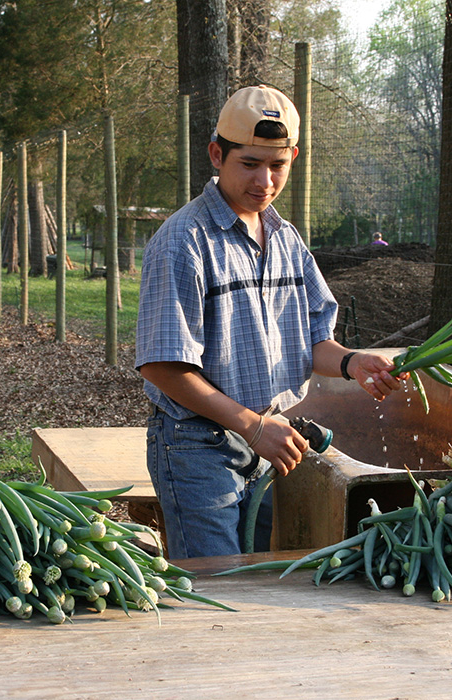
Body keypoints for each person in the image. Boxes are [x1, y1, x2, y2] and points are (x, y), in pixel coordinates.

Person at [135, 85, 404, 559]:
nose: (264, 180)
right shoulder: (183, 241)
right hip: (198, 446)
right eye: (250, 164)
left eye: (277, 165)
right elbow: (162, 367)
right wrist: (253, 427)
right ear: (217, 155)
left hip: (265, 443)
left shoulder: (285, 239)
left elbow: (314, 340)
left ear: (293, 158)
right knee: (219, 585)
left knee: (254, 581)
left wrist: (353, 363)